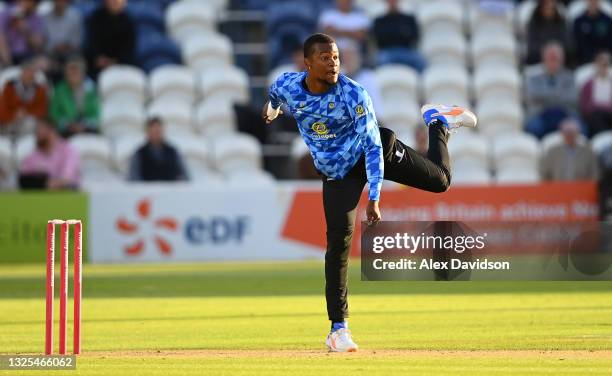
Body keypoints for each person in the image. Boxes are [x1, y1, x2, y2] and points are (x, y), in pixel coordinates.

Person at [263, 33, 477, 352]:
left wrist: (375, 197)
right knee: (337, 244)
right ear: (307, 63)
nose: (333, 62)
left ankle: (438, 123)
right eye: (324, 57)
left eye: (335, 56)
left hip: (374, 154)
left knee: (441, 181)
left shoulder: (354, 94)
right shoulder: (288, 85)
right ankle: (338, 330)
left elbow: (373, 146)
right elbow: (275, 94)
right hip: (337, 174)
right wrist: (273, 109)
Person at [525, 42, 577, 139]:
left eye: (556, 58)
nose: (554, 61)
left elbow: (572, 98)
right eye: (551, 58)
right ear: (544, 59)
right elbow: (533, 96)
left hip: (564, 114)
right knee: (533, 129)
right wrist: (558, 94)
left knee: (580, 128)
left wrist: (547, 96)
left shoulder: (570, 77)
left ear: (562, 59)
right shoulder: (534, 78)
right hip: (541, 114)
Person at [19, 117, 80, 189]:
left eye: (40, 130)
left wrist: (45, 183)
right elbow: (24, 176)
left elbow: (66, 179)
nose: (37, 134)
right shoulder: (34, 155)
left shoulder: (67, 151)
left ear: (51, 131)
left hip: (66, 195)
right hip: (42, 195)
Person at [49, 56, 100, 137]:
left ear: (82, 73)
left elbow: (96, 113)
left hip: (87, 127)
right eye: (70, 71)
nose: (72, 75)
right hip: (67, 128)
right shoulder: (60, 90)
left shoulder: (90, 89)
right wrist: (67, 124)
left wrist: (85, 124)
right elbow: (54, 113)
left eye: (75, 71)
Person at [85, 0, 136, 78]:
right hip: (97, 64)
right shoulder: (96, 18)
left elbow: (129, 48)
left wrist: (114, 62)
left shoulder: (129, 20)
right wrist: (99, 58)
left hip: (121, 65)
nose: (114, 2)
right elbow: (91, 42)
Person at [128, 117, 189, 182]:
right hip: (147, 190)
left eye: (158, 131)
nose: (156, 134)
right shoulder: (139, 153)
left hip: (170, 190)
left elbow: (185, 175)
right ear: (148, 132)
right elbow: (133, 177)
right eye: (153, 131)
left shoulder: (173, 152)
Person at [372, 0, 426, 72]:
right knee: (381, 60)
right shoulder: (379, 20)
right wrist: (402, 32)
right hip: (387, 51)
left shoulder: (409, 19)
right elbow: (378, 38)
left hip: (407, 51)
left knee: (420, 61)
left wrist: (390, 33)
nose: (392, 2)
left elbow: (415, 36)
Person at [0, 58, 48, 136]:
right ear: (22, 73)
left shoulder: (40, 90)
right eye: (27, 71)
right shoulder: (10, 87)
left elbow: (42, 110)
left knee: (30, 122)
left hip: (29, 125)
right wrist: (14, 114)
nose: (29, 75)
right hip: (9, 122)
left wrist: (26, 113)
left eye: (32, 72)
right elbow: (2, 107)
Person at [338, 40, 384, 117]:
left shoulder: (369, 77)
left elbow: (377, 110)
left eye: (351, 56)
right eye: (345, 57)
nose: (349, 60)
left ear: (359, 59)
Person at [43, 0, 83, 77]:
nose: (59, 3)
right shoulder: (45, 18)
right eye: (57, 1)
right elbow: (44, 44)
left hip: (71, 54)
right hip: (51, 55)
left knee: (78, 63)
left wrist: (66, 46)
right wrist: (55, 47)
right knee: (43, 64)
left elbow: (77, 42)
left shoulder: (75, 16)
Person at [0, 0, 45, 65]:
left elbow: (38, 45)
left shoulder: (36, 17)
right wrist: (8, 63)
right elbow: (1, 39)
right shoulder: (6, 14)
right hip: (7, 56)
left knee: (43, 63)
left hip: (27, 57)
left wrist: (25, 29)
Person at [525, 0, 570, 65]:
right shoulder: (533, 22)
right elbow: (531, 47)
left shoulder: (561, 22)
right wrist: (547, 52)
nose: (549, 7)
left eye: (551, 3)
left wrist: (555, 51)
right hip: (538, 62)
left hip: (559, 62)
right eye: (546, 4)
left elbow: (568, 44)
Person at [580, 51, 612, 137]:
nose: (603, 67)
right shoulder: (587, 85)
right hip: (595, 116)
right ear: (596, 65)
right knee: (596, 116)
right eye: (601, 64)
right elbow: (585, 108)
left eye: (606, 64)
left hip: (609, 115)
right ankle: (603, 139)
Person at [573, 0, 612, 65]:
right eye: (591, 1)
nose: (593, 2)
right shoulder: (579, 21)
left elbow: (610, 42)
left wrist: (603, 56)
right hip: (585, 61)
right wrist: (593, 57)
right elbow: (579, 44)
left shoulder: (607, 20)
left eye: (595, 1)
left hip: (605, 60)